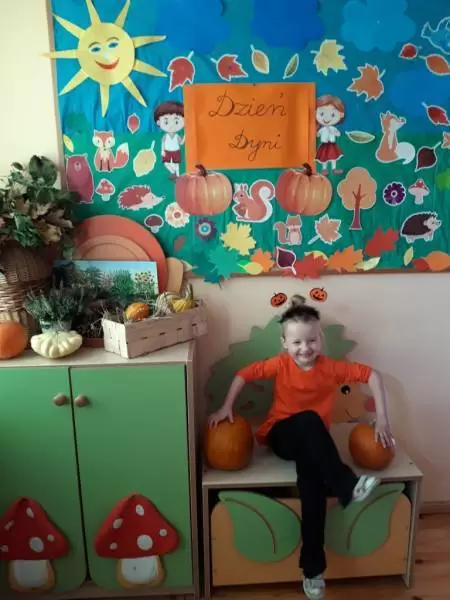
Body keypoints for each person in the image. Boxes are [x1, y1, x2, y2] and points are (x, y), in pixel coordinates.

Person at [208, 295, 395, 600]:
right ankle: (347, 485)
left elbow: (373, 375)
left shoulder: (330, 368)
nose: (305, 348)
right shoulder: (280, 364)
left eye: (311, 340)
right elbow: (243, 374)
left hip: (313, 444)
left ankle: (313, 571)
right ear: (284, 343)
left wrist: (383, 419)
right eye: (296, 342)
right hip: (281, 436)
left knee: (312, 488)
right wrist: (226, 406)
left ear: (320, 339)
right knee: (309, 419)